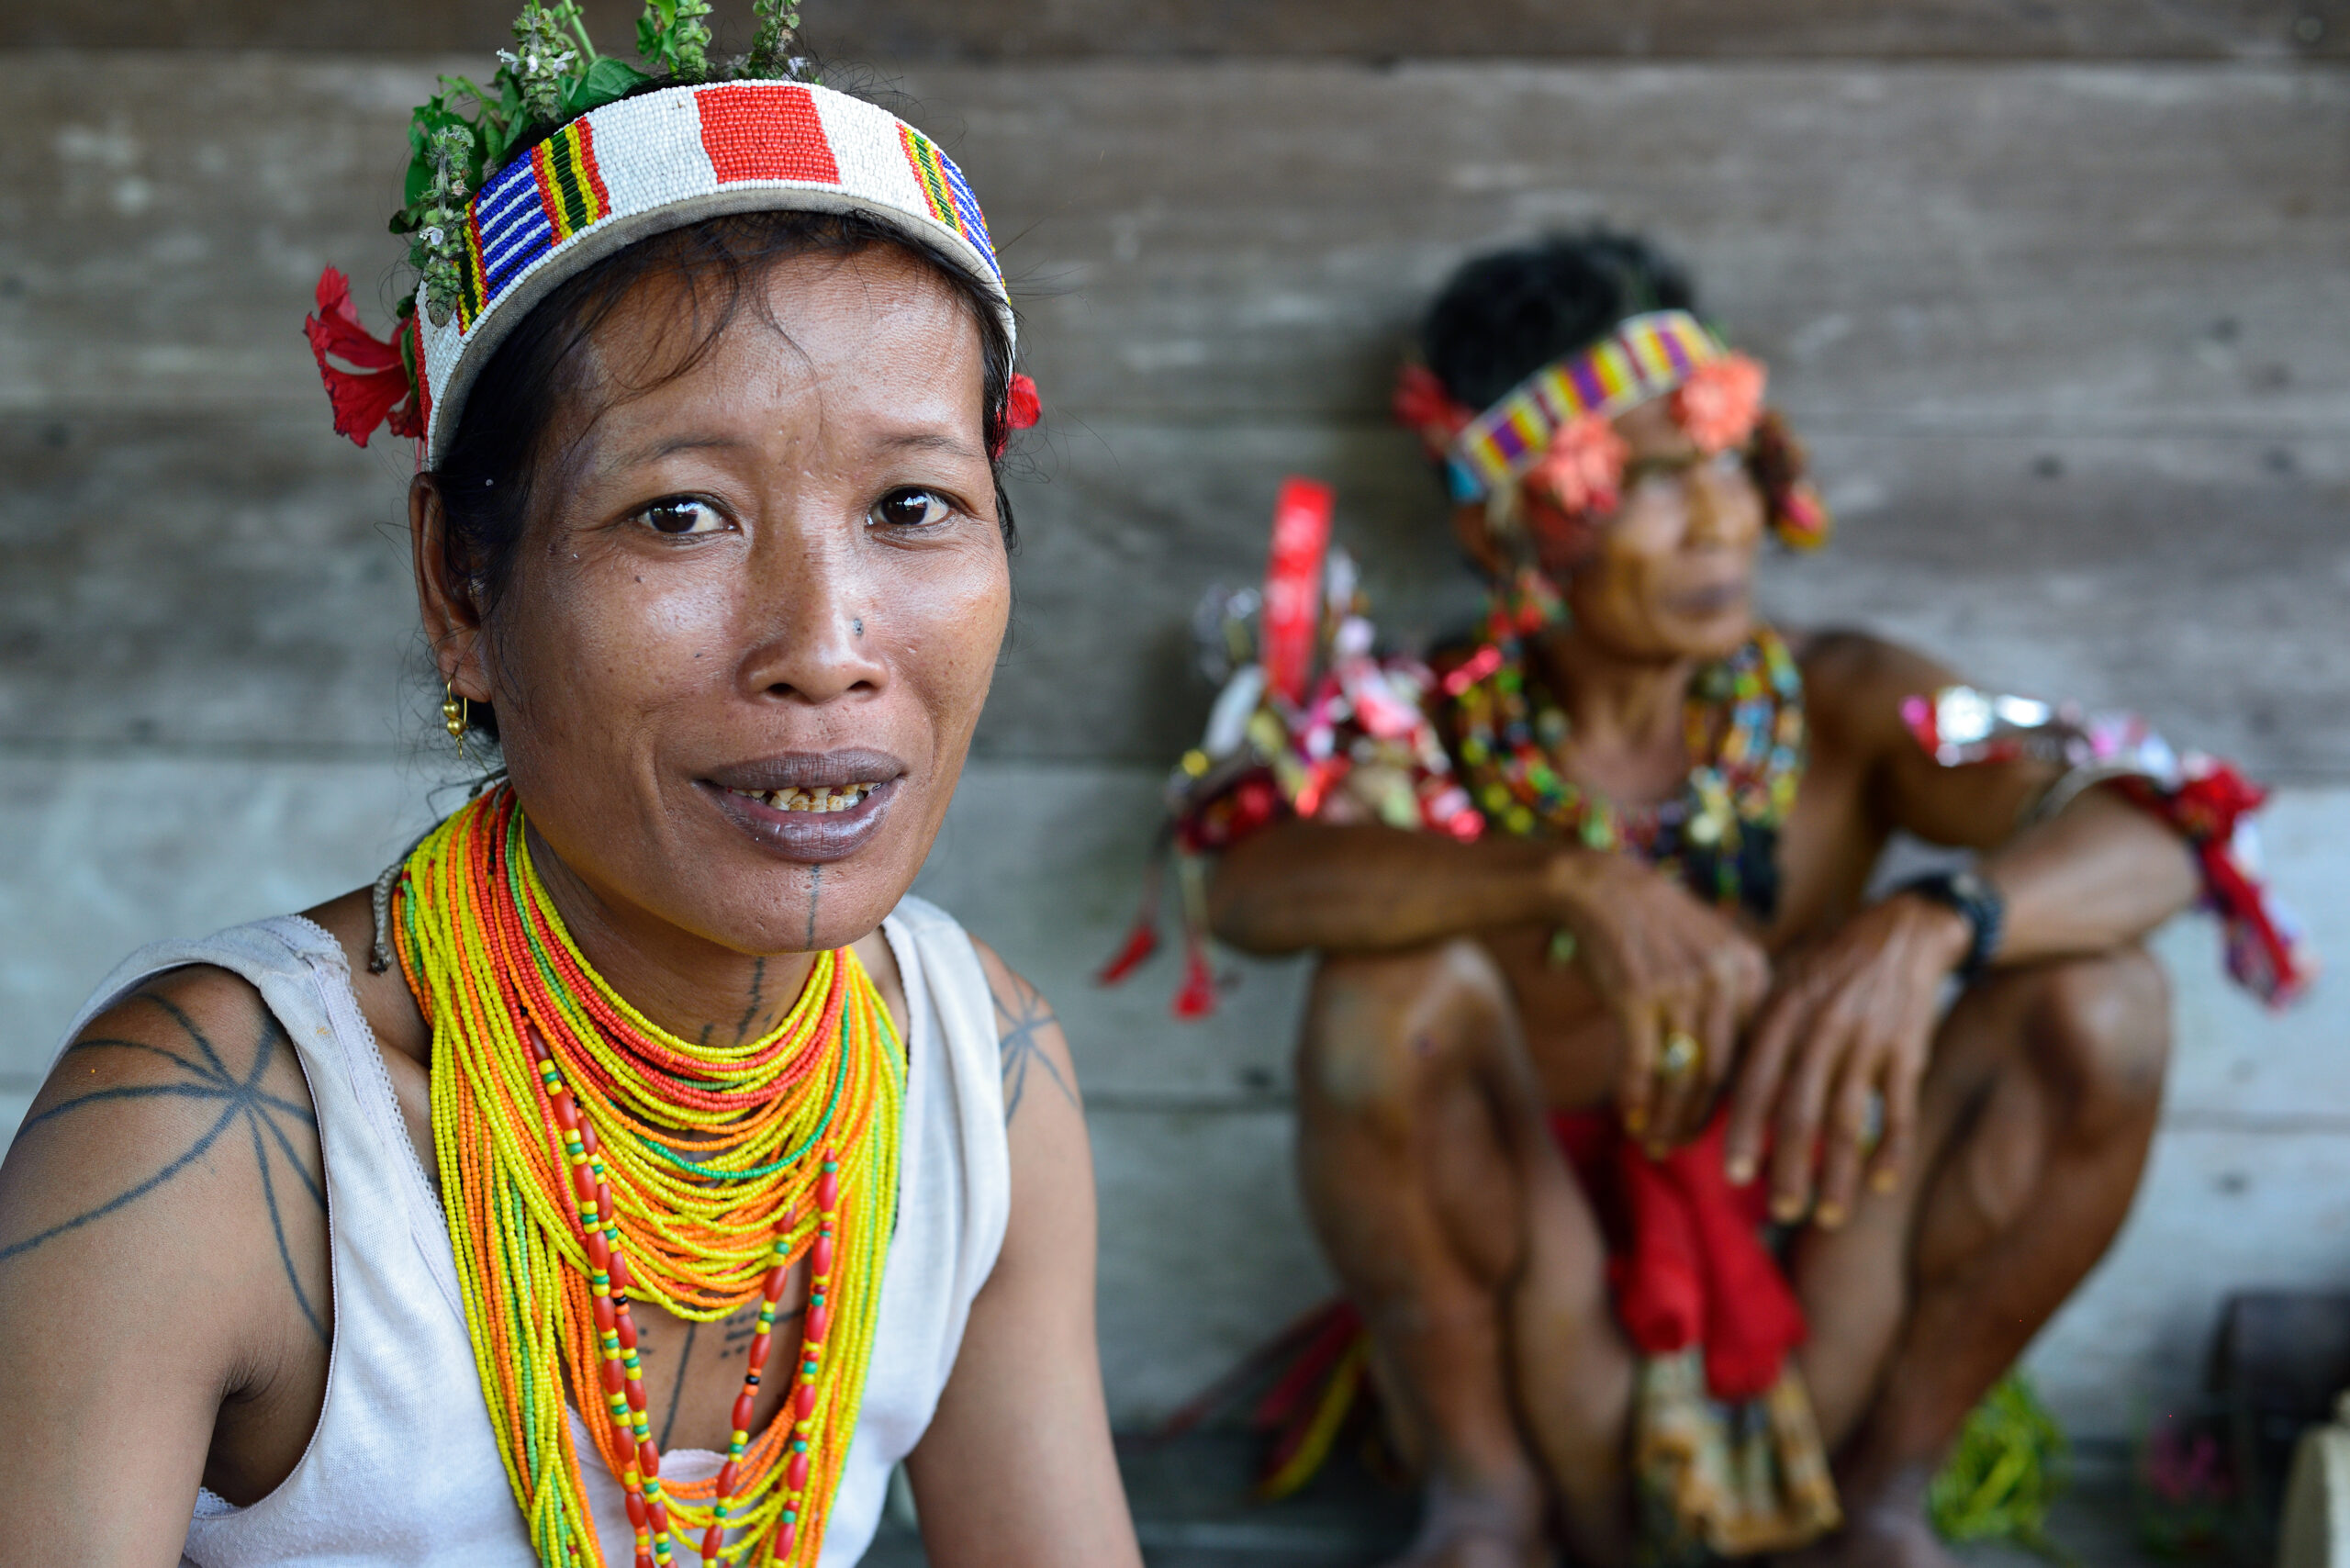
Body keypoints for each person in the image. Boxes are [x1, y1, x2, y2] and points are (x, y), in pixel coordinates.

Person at [0, 7, 1141, 1565]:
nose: (825, 644)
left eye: (914, 504)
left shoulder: (972, 1074)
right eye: (679, 514)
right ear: (461, 590)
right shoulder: (215, 1143)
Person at [1176, 232, 2309, 1567]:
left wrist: (1939, 920)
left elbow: (2158, 831)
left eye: (1730, 460)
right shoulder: (1423, 729)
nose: (1721, 518)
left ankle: (1886, 1508)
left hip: (1818, 1287)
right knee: (1381, 1003)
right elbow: (1251, 883)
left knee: (2105, 999)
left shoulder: (1843, 700)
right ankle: (1486, 1512)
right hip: (1549, 1349)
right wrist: (1560, 874)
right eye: (1653, 478)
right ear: (1511, 521)